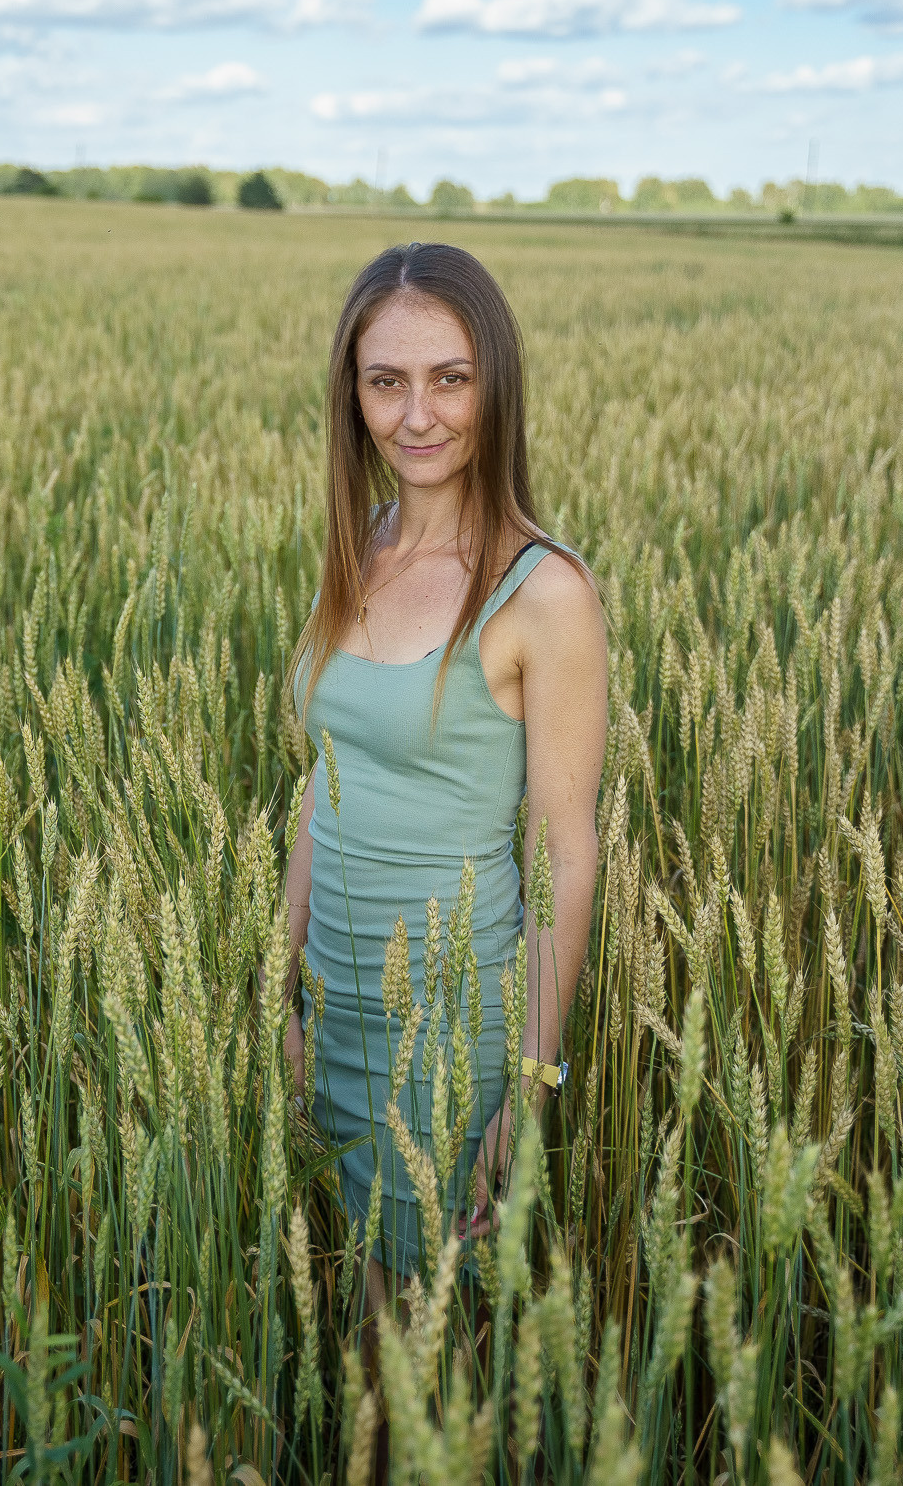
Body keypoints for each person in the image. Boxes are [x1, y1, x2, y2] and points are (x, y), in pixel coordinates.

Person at [280, 242, 608, 1315]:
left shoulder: (542, 591)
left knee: (414, 1377)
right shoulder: (360, 544)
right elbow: (322, 787)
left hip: (445, 1045)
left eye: (448, 378)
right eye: (386, 381)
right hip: (331, 1018)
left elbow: (564, 851)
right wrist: (273, 985)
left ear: (492, 386)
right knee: (344, 1340)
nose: (416, 413)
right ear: (353, 395)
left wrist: (530, 1079)